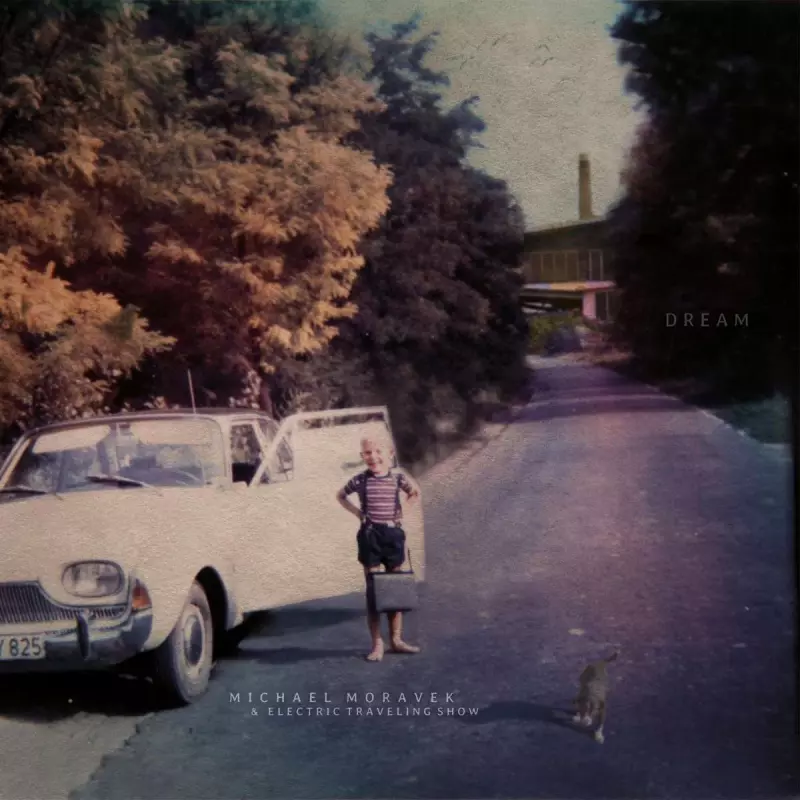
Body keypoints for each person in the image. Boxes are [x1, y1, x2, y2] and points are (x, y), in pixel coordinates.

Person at [336, 429, 422, 662]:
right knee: (374, 591)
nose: (373, 456)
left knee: (395, 588)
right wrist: (358, 514)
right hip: (370, 536)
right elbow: (340, 495)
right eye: (367, 452)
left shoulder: (397, 478)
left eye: (378, 451)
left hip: (392, 535)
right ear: (362, 456)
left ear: (390, 453)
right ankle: (377, 643)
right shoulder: (360, 480)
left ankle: (396, 639)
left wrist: (402, 512)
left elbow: (414, 493)